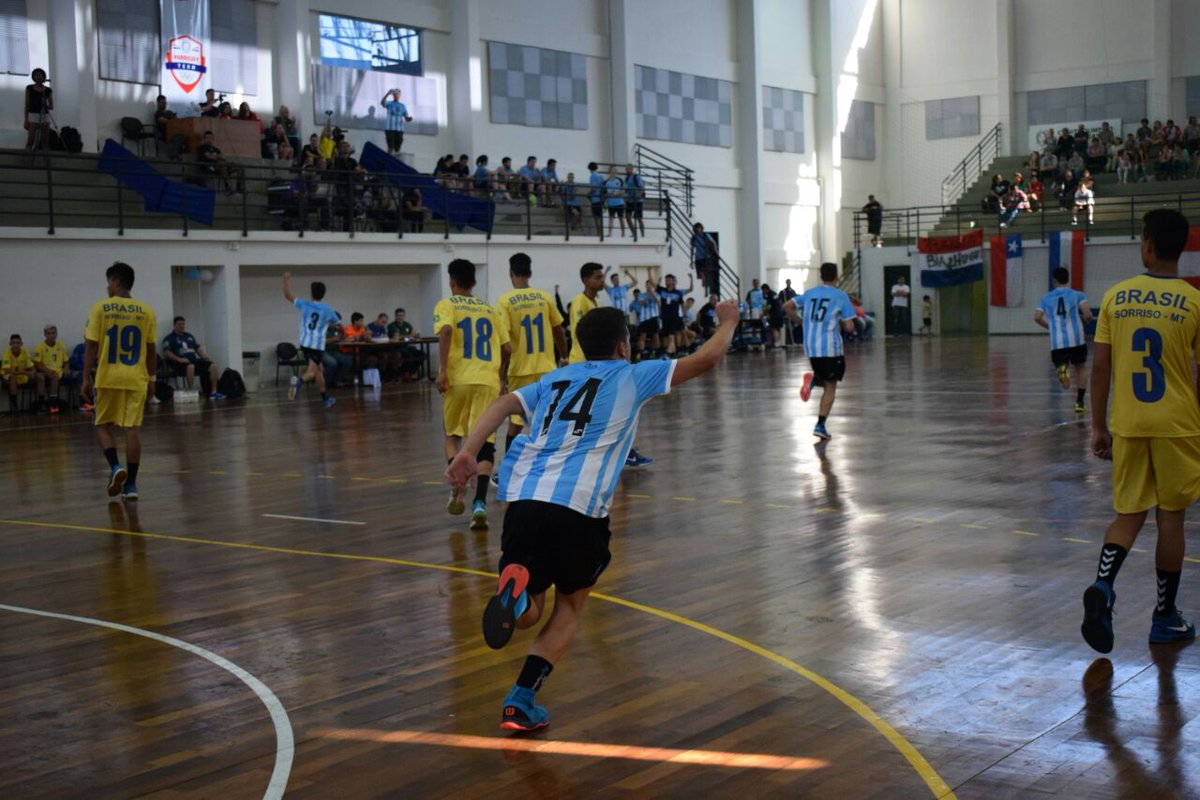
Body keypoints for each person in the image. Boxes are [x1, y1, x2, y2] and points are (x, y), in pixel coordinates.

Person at [444, 299, 740, 731]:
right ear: (623, 346)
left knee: (530, 610)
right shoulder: (634, 375)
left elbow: (504, 403)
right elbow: (708, 357)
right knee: (569, 605)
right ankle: (521, 697)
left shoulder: (554, 378)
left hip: (524, 496)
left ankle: (519, 597)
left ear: (581, 347)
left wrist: (469, 451)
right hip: (579, 504)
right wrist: (728, 322)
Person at [1080, 209, 1200, 654]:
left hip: (1129, 423)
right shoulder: (1194, 301)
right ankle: (1165, 618)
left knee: (1128, 513)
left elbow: (1101, 368)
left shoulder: (1116, 296)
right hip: (1178, 425)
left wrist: (1098, 426)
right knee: (1171, 517)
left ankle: (1103, 587)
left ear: (1147, 245)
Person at [434, 259, 510, 529]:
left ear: (452, 281)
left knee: (453, 435)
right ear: (474, 283)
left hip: (459, 380)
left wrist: (443, 371)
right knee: (486, 444)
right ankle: (479, 503)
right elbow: (507, 348)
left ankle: (458, 487)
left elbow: (445, 330)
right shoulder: (490, 310)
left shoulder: (447, 304)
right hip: (487, 381)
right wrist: (501, 379)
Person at [81, 262, 157, 500]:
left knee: (102, 425)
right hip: (136, 377)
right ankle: (131, 486)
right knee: (132, 430)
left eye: (109, 282)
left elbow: (91, 346)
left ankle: (115, 467)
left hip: (108, 376)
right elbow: (151, 348)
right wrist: (151, 377)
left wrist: (85, 377)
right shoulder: (147, 310)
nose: (107, 286)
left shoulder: (100, 308)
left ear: (115, 282)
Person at [569, 262, 651, 466]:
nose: (601, 281)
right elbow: (584, 336)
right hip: (585, 365)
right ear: (585, 280)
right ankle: (618, 452)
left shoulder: (594, 301)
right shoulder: (580, 303)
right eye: (597, 277)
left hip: (597, 365)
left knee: (607, 410)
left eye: (601, 277)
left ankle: (621, 451)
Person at [496, 252, 567, 463]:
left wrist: (500, 376)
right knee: (550, 418)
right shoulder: (544, 297)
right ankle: (552, 463)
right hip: (546, 368)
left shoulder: (505, 301)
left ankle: (508, 469)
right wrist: (563, 357)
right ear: (530, 272)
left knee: (516, 423)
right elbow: (559, 330)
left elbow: (506, 346)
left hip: (520, 369)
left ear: (511, 273)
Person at [786, 262, 856, 440]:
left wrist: (800, 321)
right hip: (830, 348)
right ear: (837, 276)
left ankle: (813, 380)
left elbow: (787, 306)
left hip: (810, 346)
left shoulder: (810, 293)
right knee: (831, 387)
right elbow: (849, 326)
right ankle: (820, 425)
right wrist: (842, 320)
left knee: (826, 379)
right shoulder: (840, 296)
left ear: (821, 275)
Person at [1035, 267, 1093, 414]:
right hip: (1077, 339)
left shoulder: (1046, 298)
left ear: (1054, 280)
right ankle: (1079, 402)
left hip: (1058, 341)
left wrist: (1049, 326)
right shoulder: (1077, 295)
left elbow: (1037, 317)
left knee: (1063, 369)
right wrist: (1086, 322)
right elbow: (1087, 314)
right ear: (1068, 278)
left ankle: (1062, 368)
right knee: (1081, 367)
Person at [283, 273, 340, 408]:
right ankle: (299, 381)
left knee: (319, 369)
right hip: (316, 345)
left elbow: (287, 295)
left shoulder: (304, 304)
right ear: (323, 294)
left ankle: (325, 397)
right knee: (312, 372)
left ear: (311, 293)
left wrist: (285, 281)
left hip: (304, 343)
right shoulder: (328, 309)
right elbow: (337, 323)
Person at [162, 316, 225, 399]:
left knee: (213, 366)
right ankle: (190, 392)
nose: (182, 326)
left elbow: (197, 348)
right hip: (179, 364)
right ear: (174, 325)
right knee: (191, 366)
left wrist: (205, 357)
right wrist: (179, 359)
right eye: (179, 324)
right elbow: (166, 353)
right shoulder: (169, 338)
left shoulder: (189, 336)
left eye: (183, 324)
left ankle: (213, 392)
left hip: (193, 361)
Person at [32, 324, 70, 413]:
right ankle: (42, 402)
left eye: (53, 333)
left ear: (56, 334)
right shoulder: (40, 346)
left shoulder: (61, 346)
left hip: (57, 371)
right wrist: (47, 371)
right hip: (44, 371)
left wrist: (66, 368)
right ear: (45, 335)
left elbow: (66, 361)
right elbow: (36, 363)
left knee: (55, 374)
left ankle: (53, 402)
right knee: (43, 376)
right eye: (49, 333)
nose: (51, 335)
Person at [655, 271, 694, 357]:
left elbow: (682, 305)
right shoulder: (662, 290)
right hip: (664, 318)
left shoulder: (678, 293)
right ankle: (672, 353)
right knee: (666, 336)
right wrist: (656, 278)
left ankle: (670, 354)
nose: (667, 282)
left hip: (675, 317)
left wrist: (685, 316)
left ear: (673, 281)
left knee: (673, 336)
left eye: (669, 280)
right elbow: (654, 286)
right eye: (666, 280)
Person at [197, 130, 244, 196]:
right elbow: (209, 157)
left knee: (239, 167)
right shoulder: (202, 148)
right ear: (204, 139)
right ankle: (228, 188)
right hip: (210, 167)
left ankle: (238, 189)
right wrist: (216, 156)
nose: (209, 139)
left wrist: (215, 156)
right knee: (222, 164)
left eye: (211, 138)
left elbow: (222, 157)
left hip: (222, 166)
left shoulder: (216, 149)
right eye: (207, 138)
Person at [1, 334, 34, 412]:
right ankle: (15, 405)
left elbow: (31, 366)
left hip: (21, 375)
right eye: (13, 343)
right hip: (7, 376)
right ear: (10, 344)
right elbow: (7, 370)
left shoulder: (25, 352)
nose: (15, 345)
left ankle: (40, 403)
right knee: (12, 377)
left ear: (21, 344)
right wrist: (24, 372)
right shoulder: (6, 353)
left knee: (37, 376)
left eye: (17, 343)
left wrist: (32, 372)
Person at [24, 68, 53, 153]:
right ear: (34, 77)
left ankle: (46, 162)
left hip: (44, 115)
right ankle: (27, 161)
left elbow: (51, 106)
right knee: (31, 140)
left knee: (45, 141)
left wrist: (46, 104)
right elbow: (27, 105)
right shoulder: (29, 88)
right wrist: (26, 120)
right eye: (36, 75)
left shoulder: (48, 90)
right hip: (33, 115)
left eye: (40, 75)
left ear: (43, 77)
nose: (39, 77)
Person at [381, 89, 413, 156]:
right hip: (390, 129)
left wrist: (409, 119)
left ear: (400, 95)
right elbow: (382, 103)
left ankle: (395, 163)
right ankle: (388, 161)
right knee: (390, 147)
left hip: (399, 130)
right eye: (395, 94)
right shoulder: (389, 103)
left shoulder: (402, 106)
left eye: (398, 94)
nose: (396, 95)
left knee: (397, 148)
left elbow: (406, 117)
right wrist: (387, 94)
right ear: (393, 95)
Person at [691, 222, 720, 297]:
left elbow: (713, 242)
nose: (698, 230)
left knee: (706, 273)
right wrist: (691, 260)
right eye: (696, 228)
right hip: (698, 257)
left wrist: (716, 251)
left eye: (699, 228)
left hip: (706, 257)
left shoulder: (705, 235)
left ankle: (706, 290)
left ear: (701, 228)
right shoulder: (693, 237)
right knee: (700, 274)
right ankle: (704, 289)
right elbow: (692, 248)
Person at [624, 163, 646, 237]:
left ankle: (643, 235)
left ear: (631, 169)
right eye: (625, 169)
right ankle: (634, 233)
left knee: (639, 218)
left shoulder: (637, 177)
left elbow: (642, 188)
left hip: (637, 201)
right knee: (627, 217)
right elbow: (625, 190)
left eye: (627, 169)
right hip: (629, 200)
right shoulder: (626, 178)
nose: (626, 171)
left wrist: (638, 196)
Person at [604, 166, 626, 237]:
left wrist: (616, 193)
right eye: (612, 170)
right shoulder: (606, 182)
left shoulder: (619, 180)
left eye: (615, 170)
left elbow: (623, 191)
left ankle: (623, 233)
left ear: (616, 172)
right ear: (609, 171)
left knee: (621, 218)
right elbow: (604, 194)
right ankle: (609, 233)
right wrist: (609, 195)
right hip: (611, 203)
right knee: (611, 218)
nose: (614, 171)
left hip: (619, 202)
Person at [587, 162, 605, 236]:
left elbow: (593, 188)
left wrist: (588, 194)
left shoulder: (592, 176)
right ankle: (600, 233)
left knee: (596, 217)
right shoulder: (601, 176)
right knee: (599, 217)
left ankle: (598, 233)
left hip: (595, 199)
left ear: (590, 169)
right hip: (601, 198)